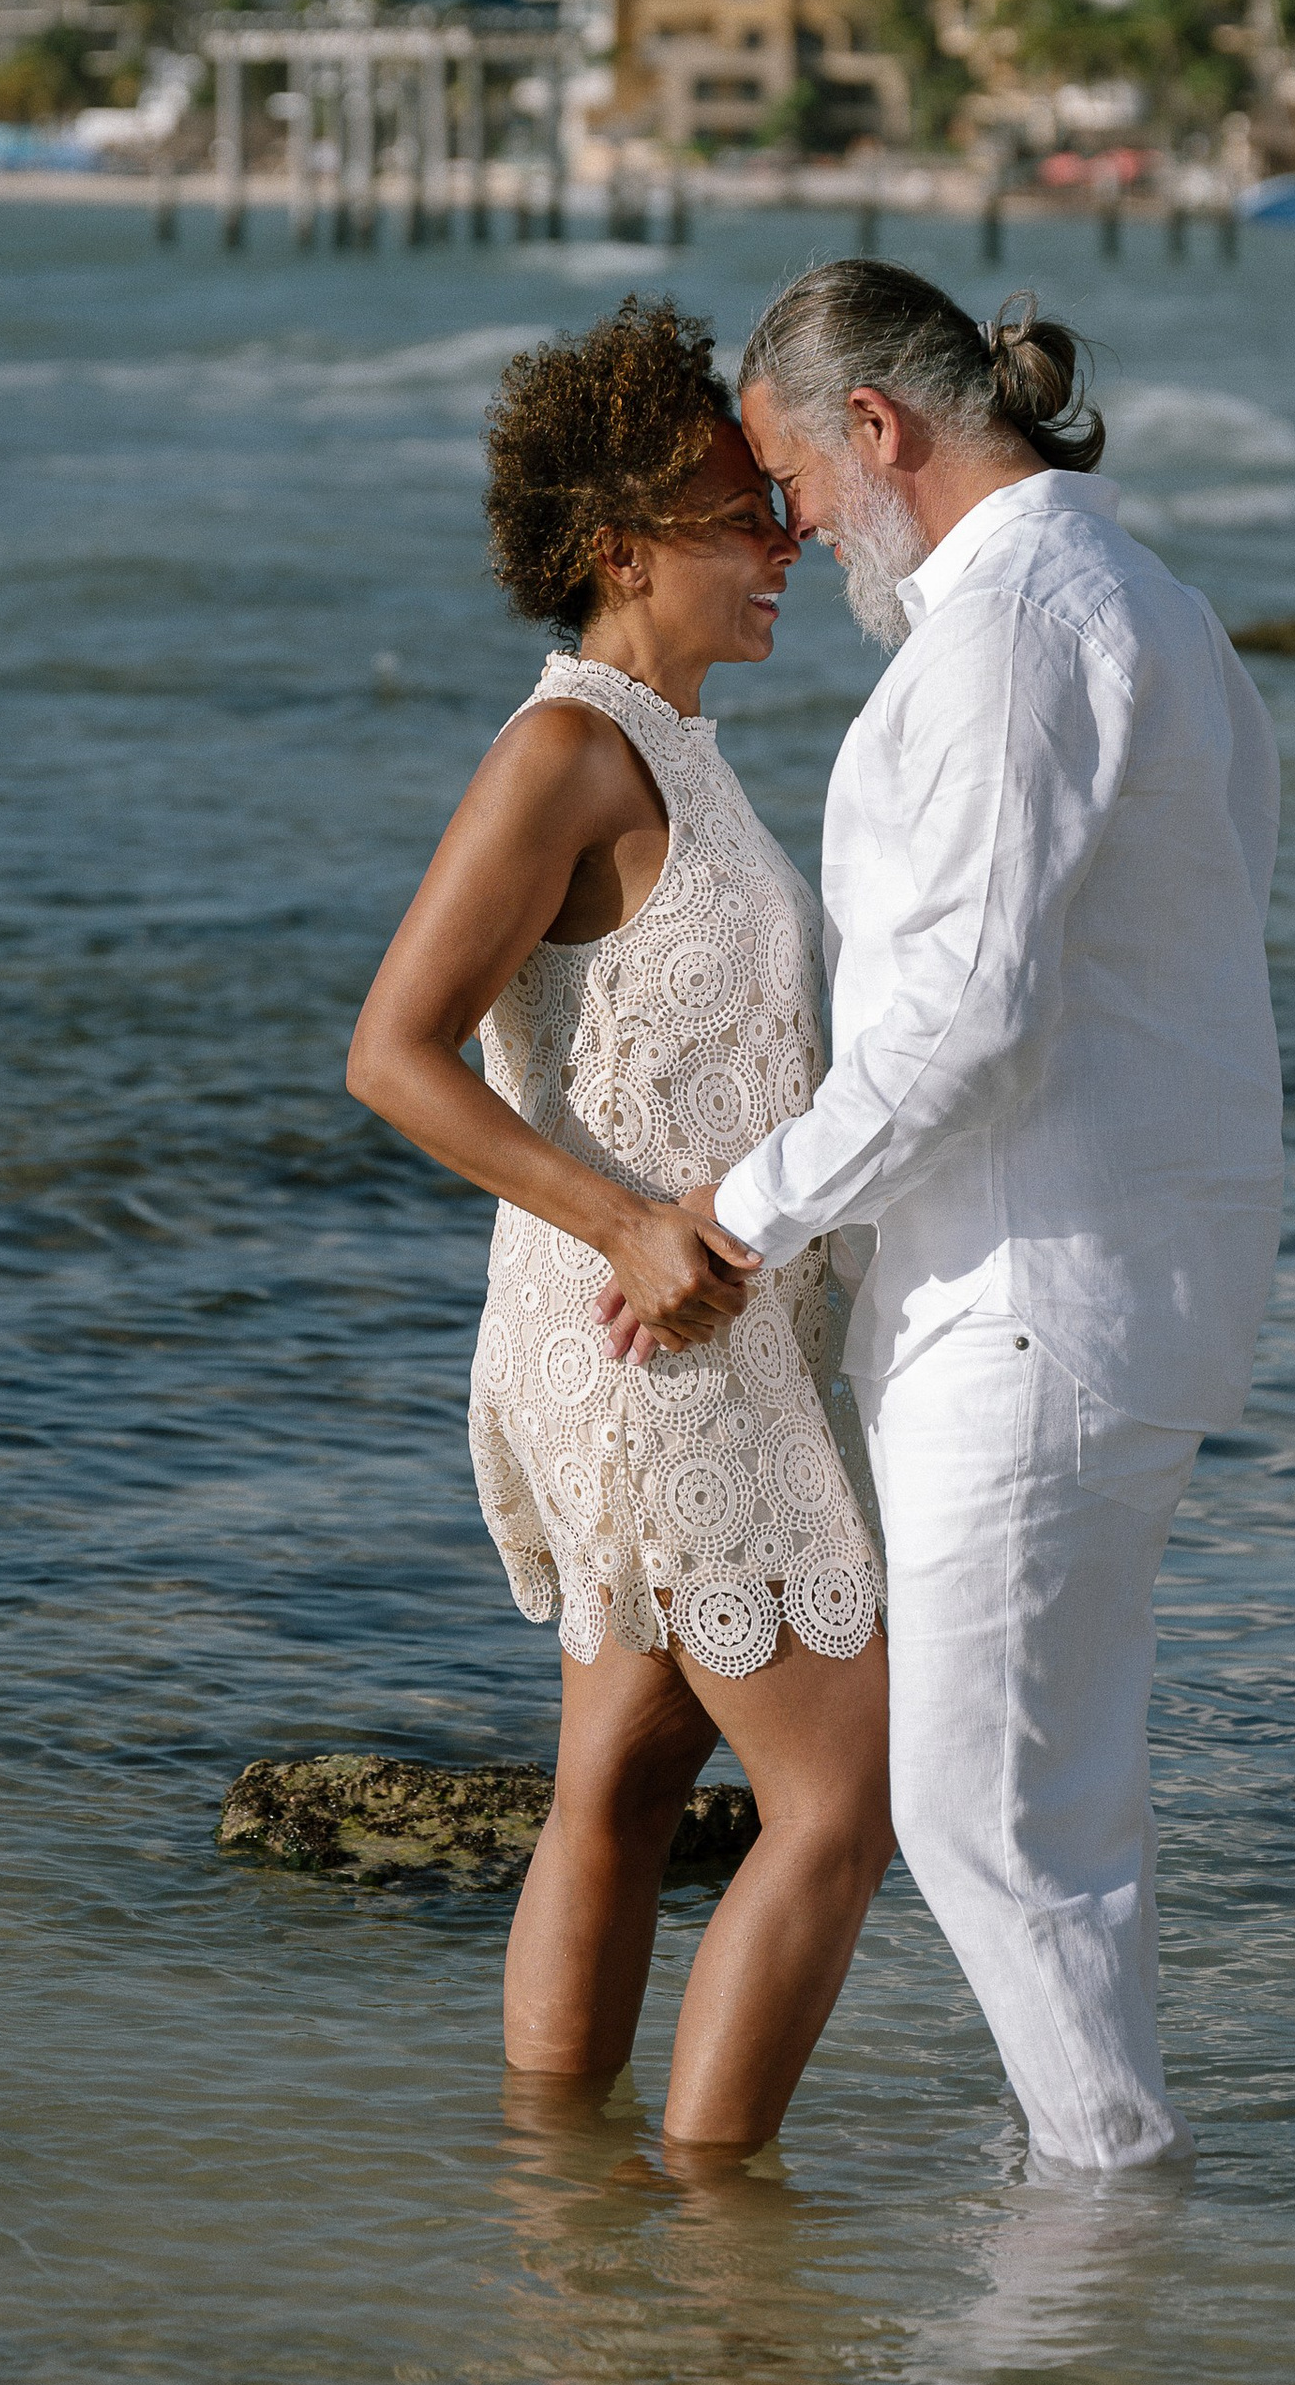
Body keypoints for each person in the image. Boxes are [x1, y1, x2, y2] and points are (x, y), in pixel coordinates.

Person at [611, 259, 1283, 2173]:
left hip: (1033, 1296)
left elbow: (970, 1013)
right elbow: (1214, 907)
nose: (799, 541)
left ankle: (1092, 2261)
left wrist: (729, 1213)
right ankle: (1085, 2202)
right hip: (1121, 1276)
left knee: (988, 1818)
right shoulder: (1150, 601)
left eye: (797, 492)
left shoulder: (1003, 636)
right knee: (1059, 1814)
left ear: (880, 436)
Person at [345, 297, 891, 2159]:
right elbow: (392, 1058)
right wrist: (631, 1225)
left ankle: (568, 2247)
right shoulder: (566, 753)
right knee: (843, 1803)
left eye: (779, 509)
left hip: (677, 1337)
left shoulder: (681, 749)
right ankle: (721, 2249)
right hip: (645, 1343)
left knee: (624, 1784)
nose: (786, 543)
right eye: (745, 518)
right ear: (618, 549)